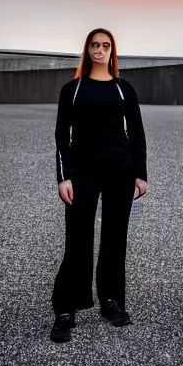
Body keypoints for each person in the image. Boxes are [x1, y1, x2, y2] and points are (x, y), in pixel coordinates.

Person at [50, 28, 147, 343]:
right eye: (95, 45)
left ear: (112, 51)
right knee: (77, 240)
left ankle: (111, 301)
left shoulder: (124, 89)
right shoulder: (73, 89)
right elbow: (61, 136)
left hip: (120, 172)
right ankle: (67, 309)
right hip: (82, 174)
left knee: (115, 239)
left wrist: (140, 174)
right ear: (87, 49)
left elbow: (137, 134)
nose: (99, 50)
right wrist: (63, 177)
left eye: (105, 45)